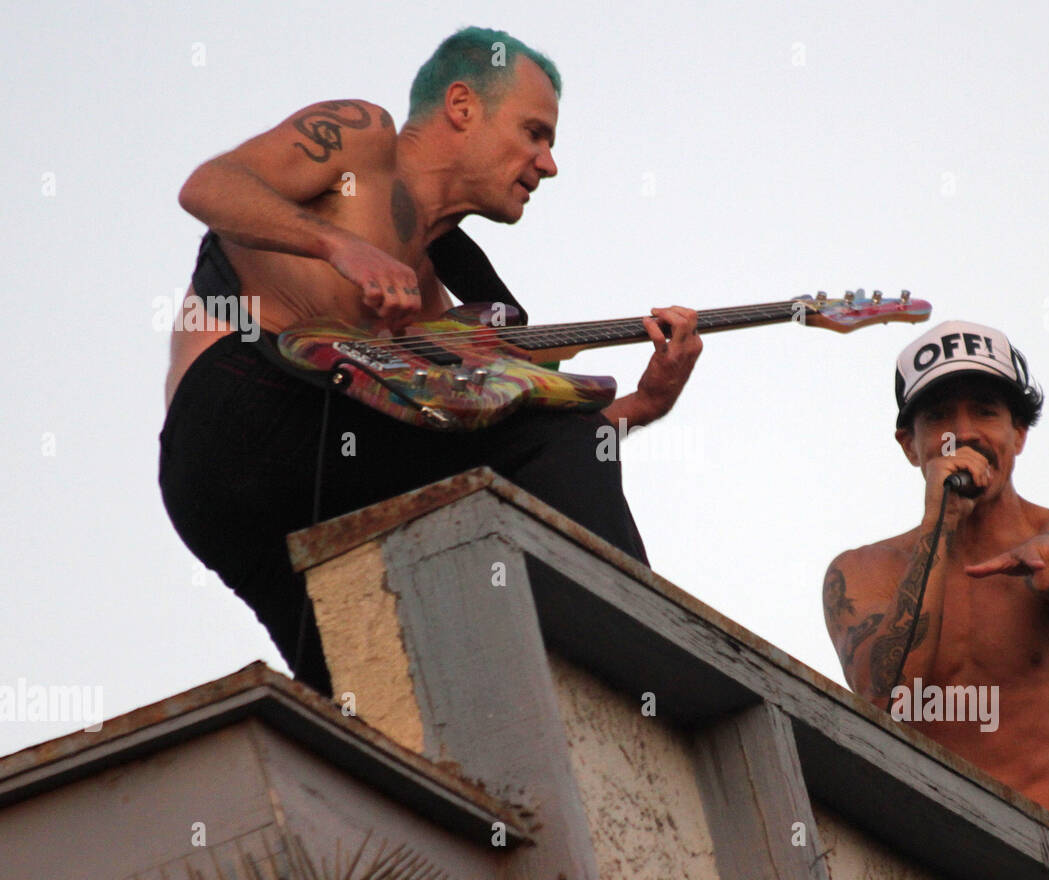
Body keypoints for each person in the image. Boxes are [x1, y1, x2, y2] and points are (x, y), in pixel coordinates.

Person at [159, 27, 702, 697]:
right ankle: (655, 679)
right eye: (535, 132)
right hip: (235, 413)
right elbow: (208, 185)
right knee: (562, 440)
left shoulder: (452, 291)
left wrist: (641, 410)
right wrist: (337, 246)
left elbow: (531, 456)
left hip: (313, 483)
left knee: (387, 700)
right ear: (463, 105)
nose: (547, 163)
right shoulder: (361, 138)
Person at [822, 322, 1049, 832]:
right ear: (909, 444)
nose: (963, 432)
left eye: (985, 410)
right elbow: (885, 701)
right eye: (939, 415)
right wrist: (940, 524)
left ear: (1019, 433)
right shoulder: (860, 572)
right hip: (909, 863)